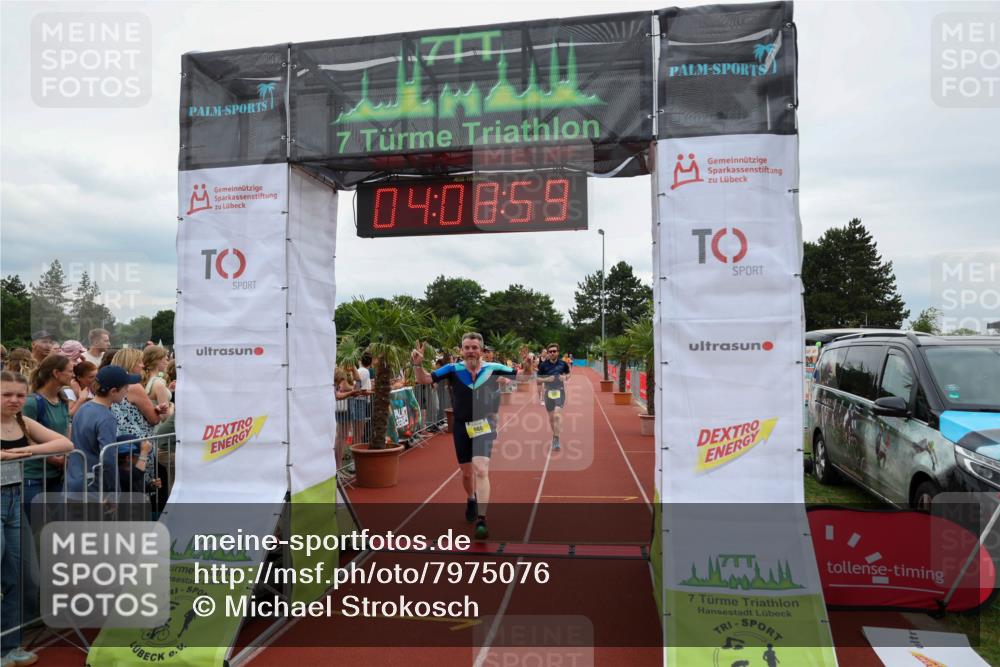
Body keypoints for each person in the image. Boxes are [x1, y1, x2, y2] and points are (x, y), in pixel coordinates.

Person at [412, 333, 515, 540]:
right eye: (467, 347)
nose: (470, 351)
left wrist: (529, 366)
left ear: (481, 350)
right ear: (461, 350)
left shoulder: (493, 368)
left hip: (484, 425)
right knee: (467, 473)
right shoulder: (452, 369)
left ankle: (482, 520)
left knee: (482, 470)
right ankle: (471, 498)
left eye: (474, 347)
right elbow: (423, 379)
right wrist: (417, 365)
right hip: (461, 426)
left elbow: (521, 375)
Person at [1, 370, 73, 667]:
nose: (15, 400)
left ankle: (9, 646)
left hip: (15, 501)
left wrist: (23, 452)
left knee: (24, 578)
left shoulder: (21, 422)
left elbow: (65, 444)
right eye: (7, 394)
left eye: (20, 394)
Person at [65, 365, 138, 494]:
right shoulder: (106, 418)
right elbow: (108, 458)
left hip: (74, 481)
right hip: (94, 487)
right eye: (126, 387)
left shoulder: (83, 407)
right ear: (113, 391)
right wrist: (113, 491)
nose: (127, 391)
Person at [21, 356, 74, 518]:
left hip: (56, 476)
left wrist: (66, 454)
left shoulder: (62, 399)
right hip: (34, 476)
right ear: (56, 373)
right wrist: (53, 458)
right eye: (70, 371)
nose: (73, 374)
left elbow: (67, 429)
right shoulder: (31, 403)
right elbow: (23, 436)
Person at [537, 343, 571, 451]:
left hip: (560, 392)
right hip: (548, 393)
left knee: (556, 416)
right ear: (548, 353)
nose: (552, 353)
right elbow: (537, 380)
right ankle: (555, 434)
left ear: (558, 352)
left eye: (554, 351)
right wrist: (546, 380)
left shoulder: (563, 364)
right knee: (551, 419)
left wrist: (565, 377)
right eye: (550, 351)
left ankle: (556, 439)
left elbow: (569, 373)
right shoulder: (543, 365)